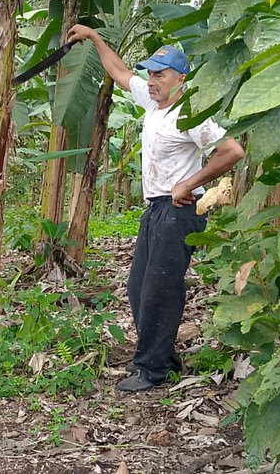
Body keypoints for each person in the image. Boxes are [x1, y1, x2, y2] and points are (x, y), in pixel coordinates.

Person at [65, 24, 245, 392]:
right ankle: (165, 360)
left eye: (159, 75)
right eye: (150, 73)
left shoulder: (190, 112)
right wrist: (95, 38)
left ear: (180, 78)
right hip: (156, 210)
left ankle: (152, 370)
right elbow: (118, 72)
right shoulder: (152, 103)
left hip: (180, 210)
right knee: (138, 289)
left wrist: (189, 184)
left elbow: (232, 151)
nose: (151, 80)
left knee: (159, 291)